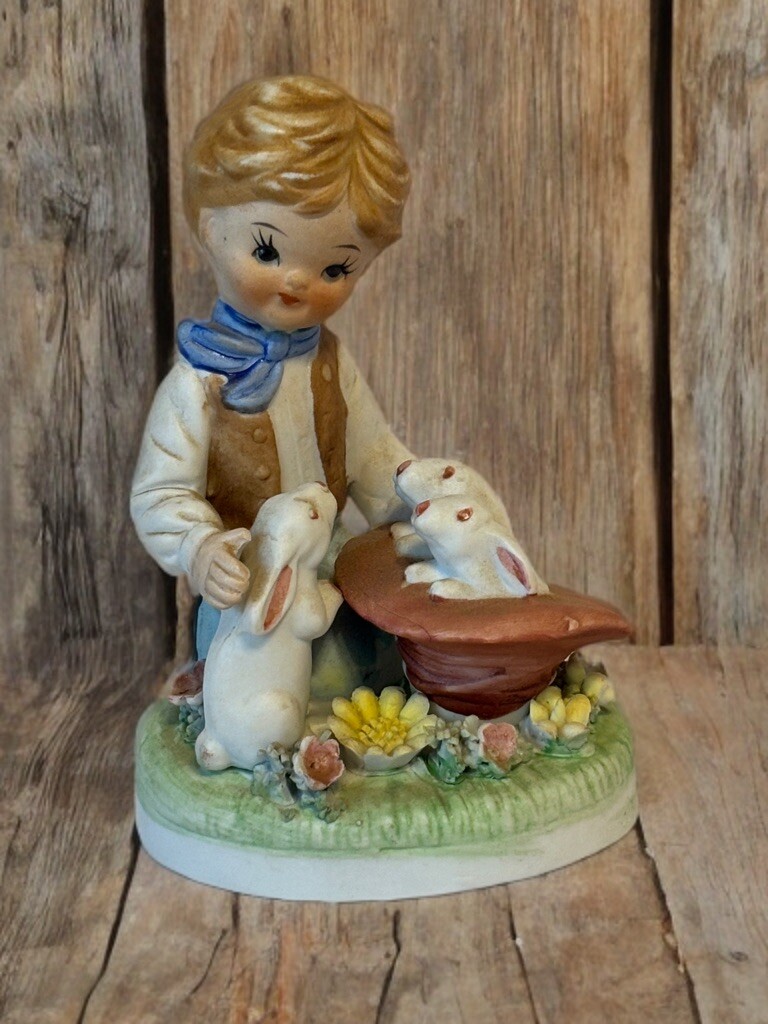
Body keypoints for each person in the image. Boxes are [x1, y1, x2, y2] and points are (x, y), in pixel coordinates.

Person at [131, 75, 414, 661]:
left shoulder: (331, 364)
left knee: (377, 663)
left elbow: (373, 455)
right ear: (212, 229)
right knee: (267, 683)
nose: (298, 281)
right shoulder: (200, 382)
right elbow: (161, 492)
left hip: (334, 568)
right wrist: (202, 549)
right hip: (249, 587)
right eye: (267, 251)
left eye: (336, 269)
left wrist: (426, 513)